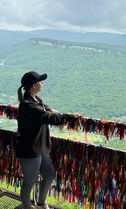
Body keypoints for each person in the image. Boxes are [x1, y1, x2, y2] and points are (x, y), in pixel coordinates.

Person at [16, 71, 79, 209]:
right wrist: (69, 117)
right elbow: (48, 117)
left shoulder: (36, 100)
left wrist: (52, 109)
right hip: (30, 150)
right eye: (40, 81)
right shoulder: (28, 105)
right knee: (29, 182)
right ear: (34, 85)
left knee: (49, 175)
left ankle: (40, 202)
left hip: (40, 147)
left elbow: (44, 108)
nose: (42, 83)